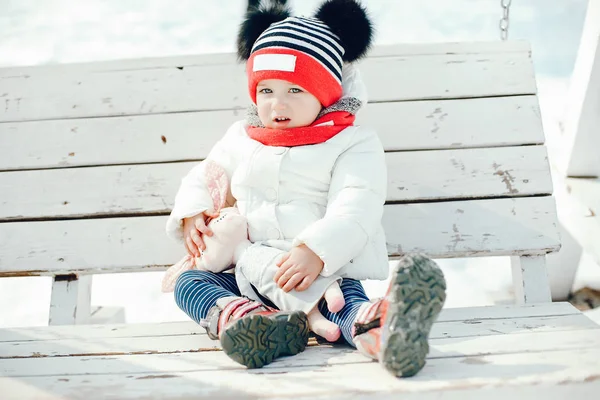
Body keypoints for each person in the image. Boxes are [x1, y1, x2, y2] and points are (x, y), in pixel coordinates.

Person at [166, 0, 447, 376]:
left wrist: (316, 252)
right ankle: (245, 320)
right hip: (246, 273)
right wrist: (193, 213)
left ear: (326, 93)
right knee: (190, 283)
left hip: (320, 270)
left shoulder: (352, 143)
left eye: (295, 90)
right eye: (266, 90)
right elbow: (206, 174)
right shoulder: (241, 138)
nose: (277, 104)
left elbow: (357, 204)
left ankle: (380, 329)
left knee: (341, 301)